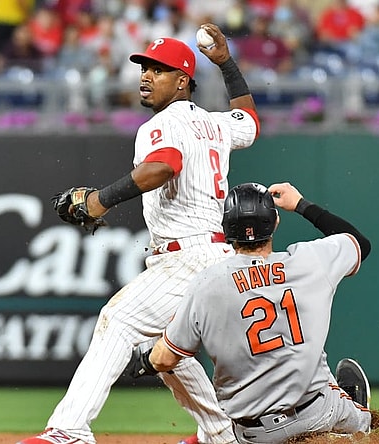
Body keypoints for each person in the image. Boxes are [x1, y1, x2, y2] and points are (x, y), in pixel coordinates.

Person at [17, 23, 260, 444]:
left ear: (183, 81)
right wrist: (225, 63)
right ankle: (222, 434)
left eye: (160, 70)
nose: (146, 76)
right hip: (215, 256)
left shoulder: (162, 124)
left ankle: (69, 431)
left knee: (120, 320)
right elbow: (251, 120)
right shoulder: (216, 124)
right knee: (171, 354)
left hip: (187, 259)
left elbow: (162, 167)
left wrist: (99, 200)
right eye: (144, 67)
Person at [128, 182, 378, 444]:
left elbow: (166, 359)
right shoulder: (310, 261)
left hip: (253, 434)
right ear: (275, 222)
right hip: (316, 413)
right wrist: (301, 205)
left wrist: (144, 363)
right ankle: (356, 417)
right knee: (360, 424)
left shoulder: (206, 284)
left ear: (225, 230)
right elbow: (360, 243)